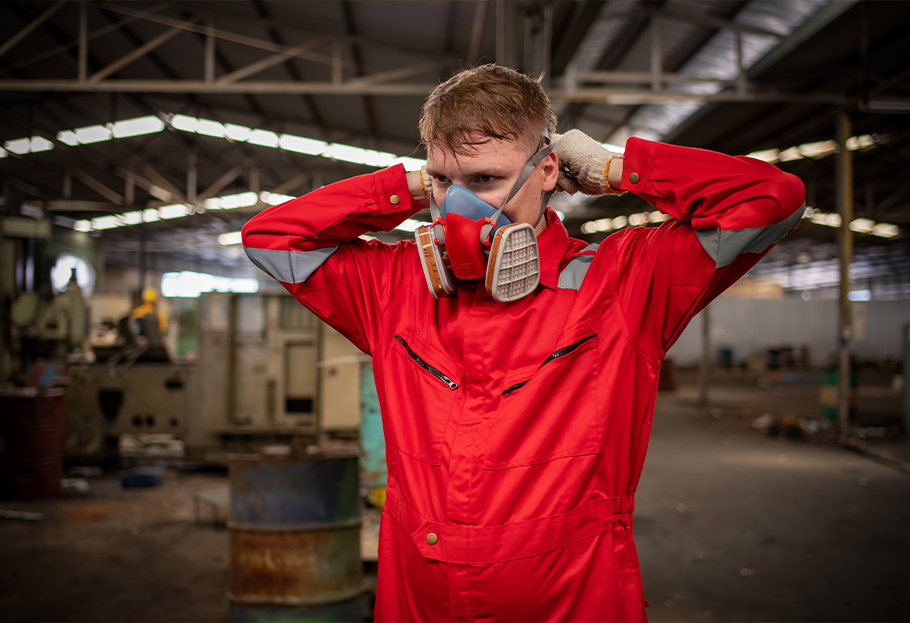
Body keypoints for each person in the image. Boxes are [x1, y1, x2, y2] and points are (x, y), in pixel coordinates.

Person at [242, 64, 805, 622]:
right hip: (420, 602)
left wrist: (616, 168)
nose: (460, 207)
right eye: (443, 181)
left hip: (573, 602)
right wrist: (408, 186)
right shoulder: (394, 284)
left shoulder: (625, 282)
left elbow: (773, 198)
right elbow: (270, 238)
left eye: (485, 180)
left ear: (548, 171)